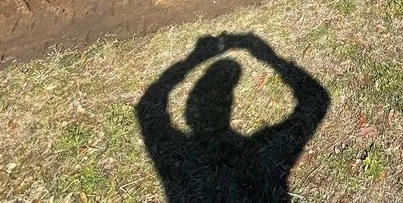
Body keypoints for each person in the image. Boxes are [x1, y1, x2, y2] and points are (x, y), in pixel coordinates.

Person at [136, 32, 330, 202]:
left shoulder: (183, 157)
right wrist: (269, 57)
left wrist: (193, 59)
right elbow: (317, 101)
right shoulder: (262, 156)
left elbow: (148, 108)